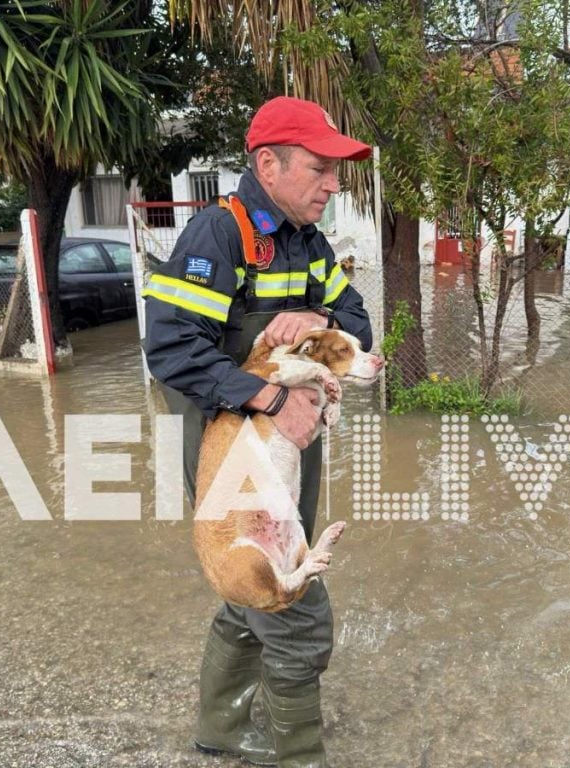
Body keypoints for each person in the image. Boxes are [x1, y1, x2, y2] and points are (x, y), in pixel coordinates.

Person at [142, 96, 374, 767]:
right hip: (232, 441)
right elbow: (172, 347)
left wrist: (319, 318)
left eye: (335, 172)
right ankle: (300, 753)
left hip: (293, 437)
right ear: (268, 165)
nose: (333, 185)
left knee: (251, 586)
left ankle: (220, 729)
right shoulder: (219, 234)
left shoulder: (309, 242)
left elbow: (358, 323)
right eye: (319, 169)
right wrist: (272, 398)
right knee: (295, 607)